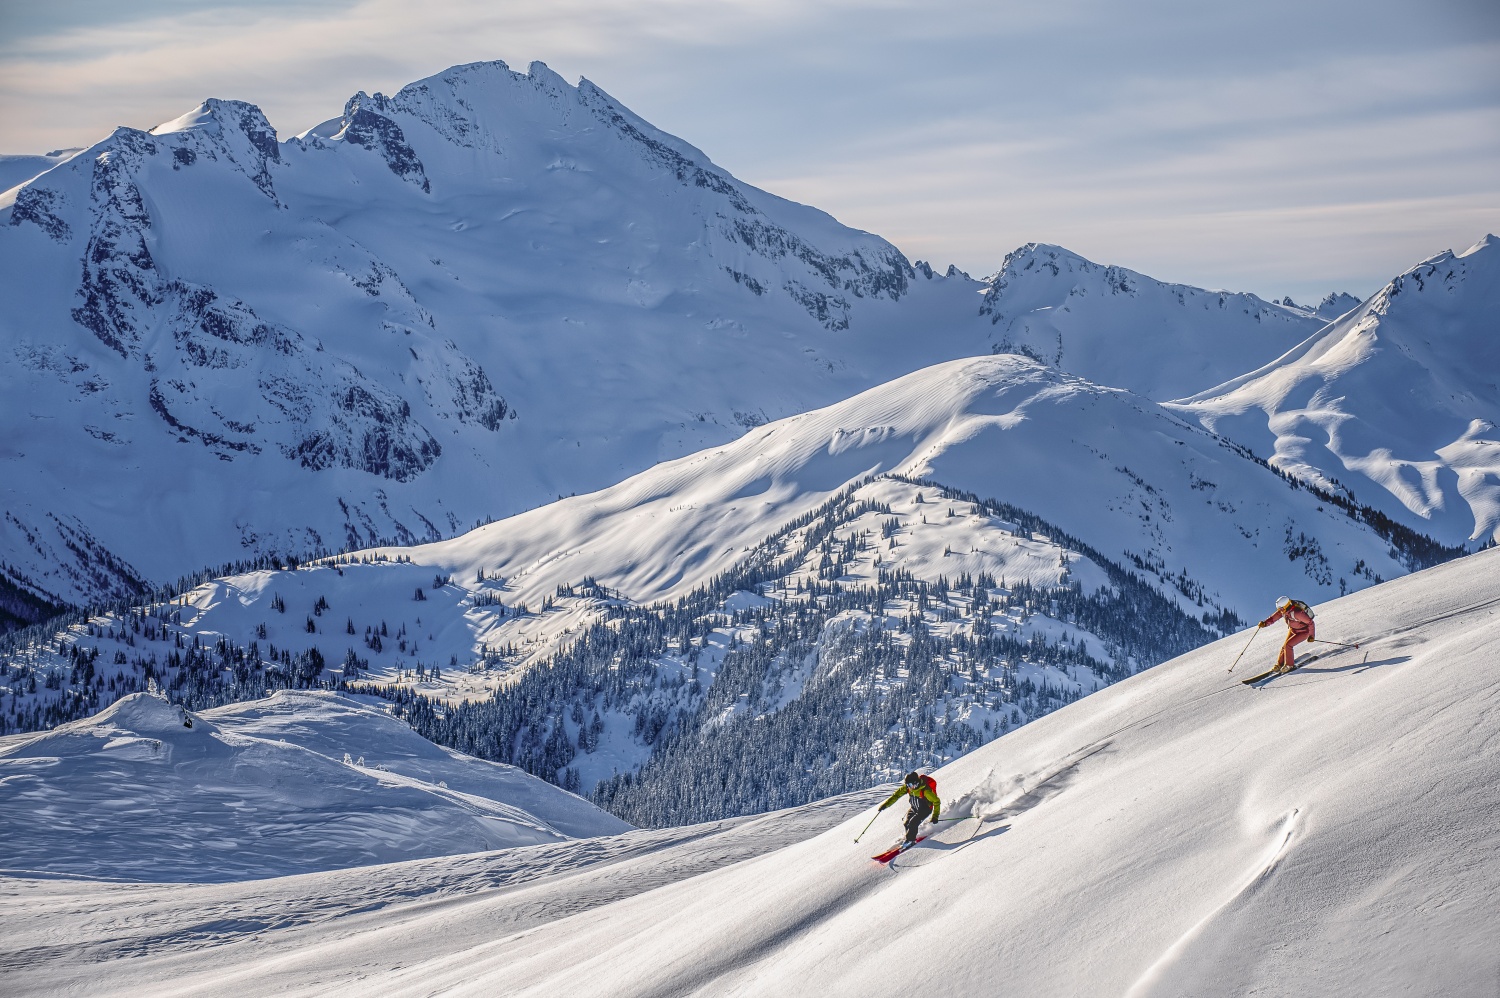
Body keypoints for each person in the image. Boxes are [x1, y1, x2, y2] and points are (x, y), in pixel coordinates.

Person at [879, 771, 941, 843]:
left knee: (913, 823)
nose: (908, 787)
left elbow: (936, 801)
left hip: (925, 809)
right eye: (907, 785)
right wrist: (885, 805)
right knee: (907, 823)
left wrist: (935, 816)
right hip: (914, 808)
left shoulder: (925, 791)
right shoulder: (909, 788)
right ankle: (909, 836)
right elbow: (896, 795)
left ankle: (910, 840)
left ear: (916, 783)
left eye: (910, 785)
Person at [1259, 595, 1315, 673]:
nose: (1280, 610)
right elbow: (1273, 618)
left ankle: (1289, 665)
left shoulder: (1297, 613)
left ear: (1286, 606)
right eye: (1279, 609)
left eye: (1281, 608)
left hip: (1304, 631)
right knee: (1285, 646)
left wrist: (1311, 636)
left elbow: (1310, 622)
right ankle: (1279, 664)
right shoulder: (1284, 611)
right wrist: (1265, 623)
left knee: (1288, 645)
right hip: (1293, 630)